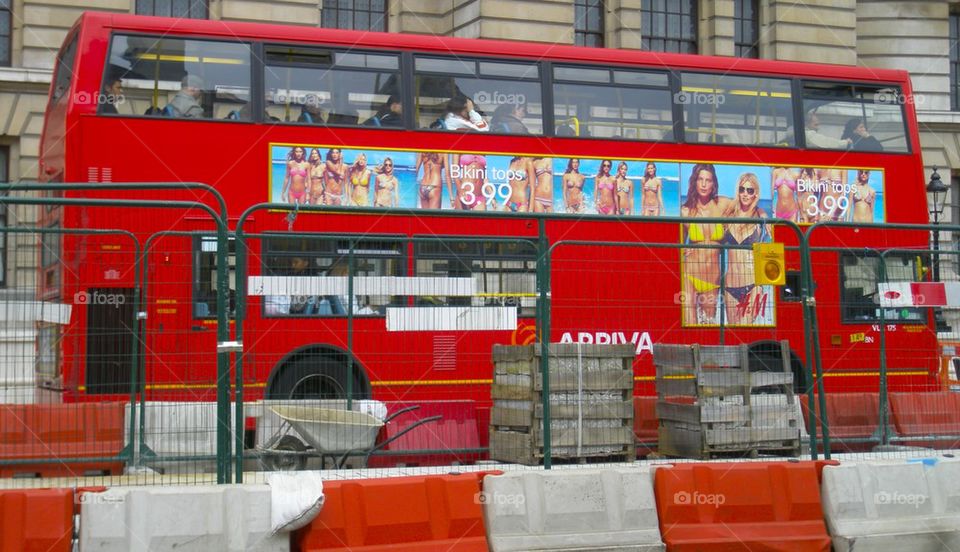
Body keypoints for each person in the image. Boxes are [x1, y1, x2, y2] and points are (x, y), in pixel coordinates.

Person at [680, 163, 732, 325]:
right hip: (689, 275)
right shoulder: (686, 211)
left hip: (712, 279)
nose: (703, 184)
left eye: (708, 180)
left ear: (713, 184)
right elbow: (677, 245)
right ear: (694, 182)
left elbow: (748, 203)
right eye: (700, 179)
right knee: (689, 324)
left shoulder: (723, 205)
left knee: (707, 327)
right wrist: (684, 249)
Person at [721, 173, 768, 325]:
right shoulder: (729, 214)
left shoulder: (760, 216)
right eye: (742, 189)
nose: (745, 194)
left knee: (746, 328)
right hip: (729, 287)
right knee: (734, 335)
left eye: (750, 190)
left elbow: (773, 244)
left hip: (752, 285)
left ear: (756, 193)